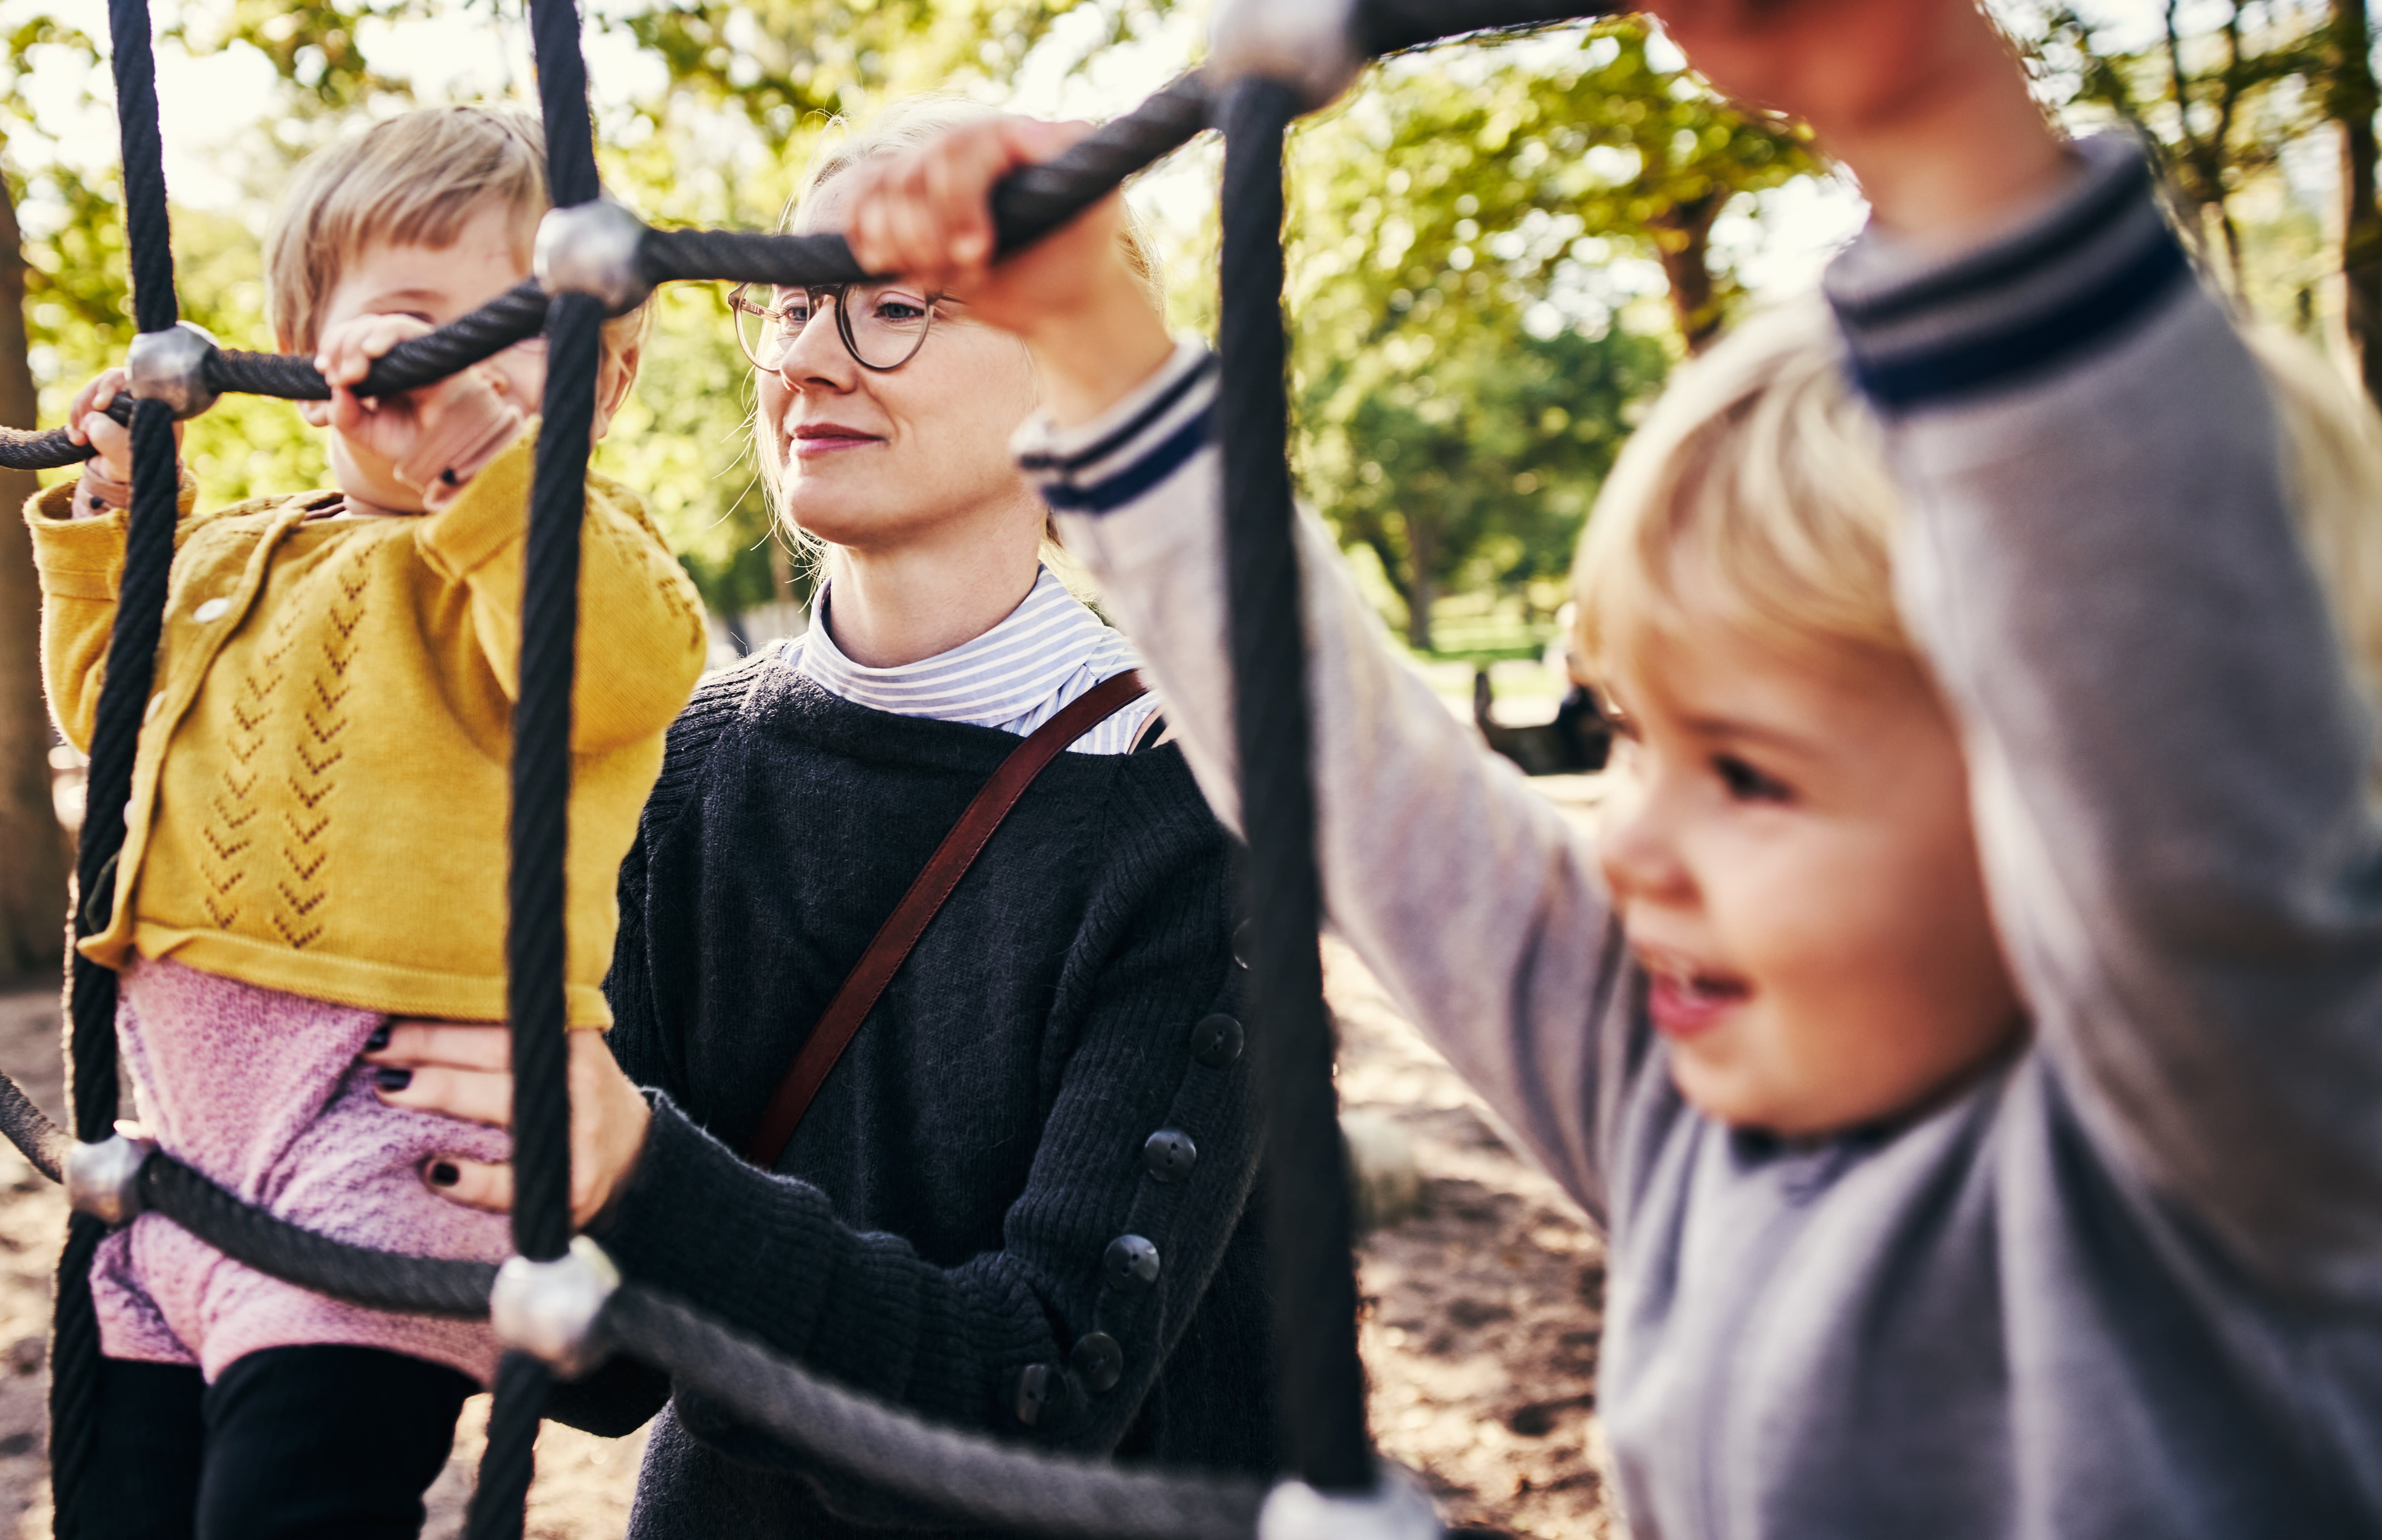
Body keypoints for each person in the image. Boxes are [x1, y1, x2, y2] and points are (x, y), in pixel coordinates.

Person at [833, 2, 2382, 1534]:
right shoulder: (1676, 1096)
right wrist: (1094, 339)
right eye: (1632, 735)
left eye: (1751, 776)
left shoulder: (2240, 1161)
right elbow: (1358, 784)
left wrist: (1935, 132)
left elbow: (2182, 770)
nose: (1628, 842)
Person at [364, 101, 1277, 1536]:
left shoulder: (1190, 810)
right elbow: (606, 1377)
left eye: (893, 306)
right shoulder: (682, 759)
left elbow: (1038, 1390)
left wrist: (632, 1167)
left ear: (1068, 364)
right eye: (787, 303)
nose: (803, 357)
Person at [30, 105, 705, 1539]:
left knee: (289, 1510)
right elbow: (111, 711)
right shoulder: (235, 549)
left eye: (513, 327)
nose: (458, 362)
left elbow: (620, 671)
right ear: (302, 343)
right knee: (118, 1506)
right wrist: (117, 530)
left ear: (610, 373)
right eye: (413, 321)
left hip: (379, 1153)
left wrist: (481, 465)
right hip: (176, 1151)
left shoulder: (564, 552)